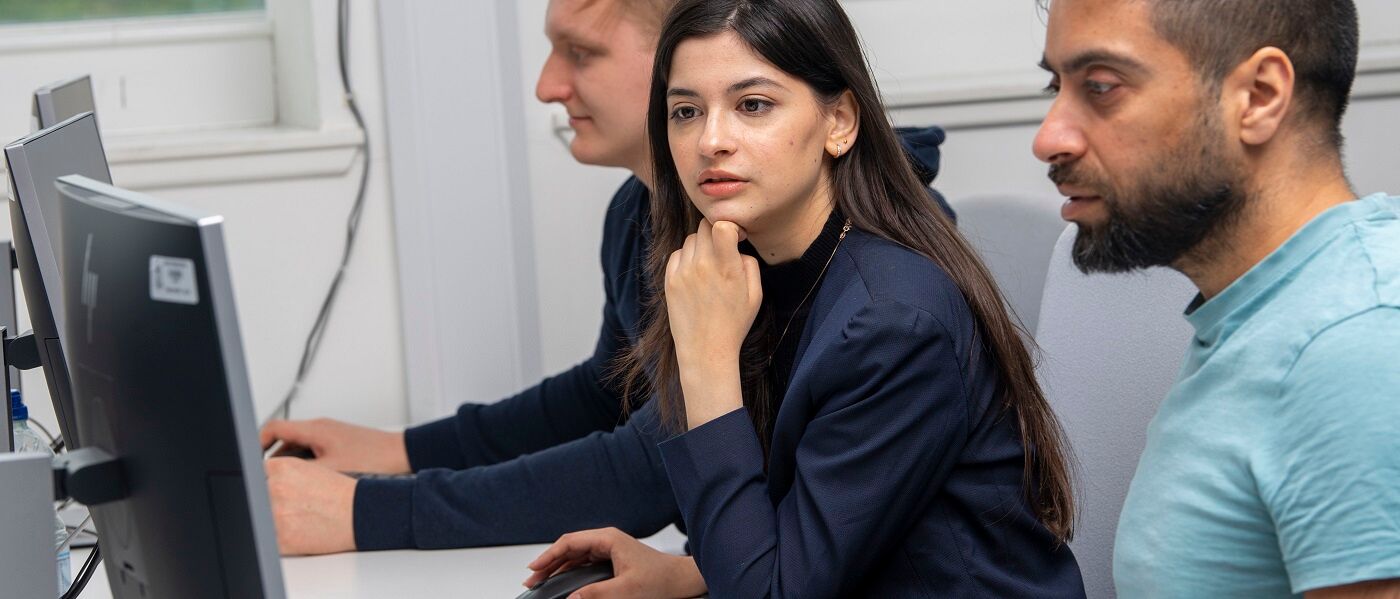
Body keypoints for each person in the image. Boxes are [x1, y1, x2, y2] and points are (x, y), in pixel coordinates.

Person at [258, 0, 952, 555]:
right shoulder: (646, 215)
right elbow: (607, 391)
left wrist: (368, 508)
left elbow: (651, 467)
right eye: (691, 109)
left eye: (582, 53)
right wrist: (398, 450)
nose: (546, 86)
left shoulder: (857, 286)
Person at [524, 0, 1085, 596]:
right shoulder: (749, 274)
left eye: (752, 105)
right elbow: (822, 537)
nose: (711, 139)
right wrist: (685, 574)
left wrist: (707, 364)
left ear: (839, 122)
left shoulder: (891, 322)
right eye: (685, 111)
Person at [1034, 0, 1400, 596]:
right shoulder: (1267, 309)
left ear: (1258, 97)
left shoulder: (1354, 342)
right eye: (1058, 85)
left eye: (1100, 87)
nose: (1049, 137)